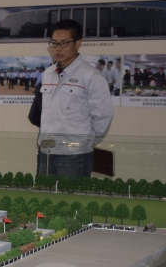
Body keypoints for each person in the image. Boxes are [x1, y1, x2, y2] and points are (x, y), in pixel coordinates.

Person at [27, 18, 113, 178]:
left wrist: (84, 143)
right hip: (46, 151)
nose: (58, 48)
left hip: (74, 155)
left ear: (78, 43)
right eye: (54, 43)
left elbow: (102, 116)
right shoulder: (48, 74)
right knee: (43, 194)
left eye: (64, 43)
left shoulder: (91, 75)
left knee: (71, 194)